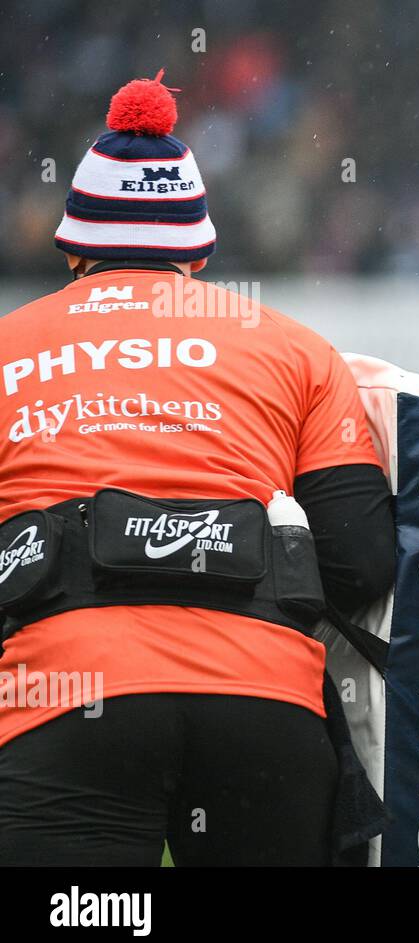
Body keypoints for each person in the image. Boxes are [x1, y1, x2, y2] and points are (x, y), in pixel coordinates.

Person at [0, 72, 395, 865]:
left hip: (61, 704)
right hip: (264, 708)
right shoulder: (297, 349)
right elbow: (362, 562)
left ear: (73, 244)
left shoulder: (9, 342)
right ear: (200, 250)